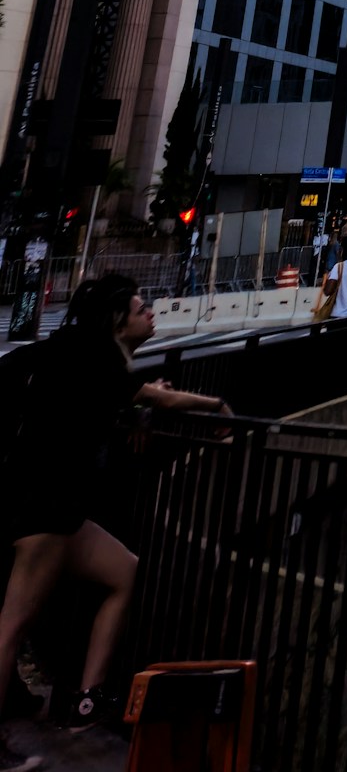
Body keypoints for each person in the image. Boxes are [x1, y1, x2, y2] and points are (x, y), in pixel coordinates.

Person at [0, 275, 229, 761]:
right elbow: (155, 397)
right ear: (117, 321)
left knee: (124, 569)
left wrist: (138, 410)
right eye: (142, 308)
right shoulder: (97, 362)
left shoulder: (78, 356)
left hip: (51, 507)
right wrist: (217, 406)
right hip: (45, 508)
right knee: (12, 626)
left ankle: (88, 699)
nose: (152, 314)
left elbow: (131, 397)